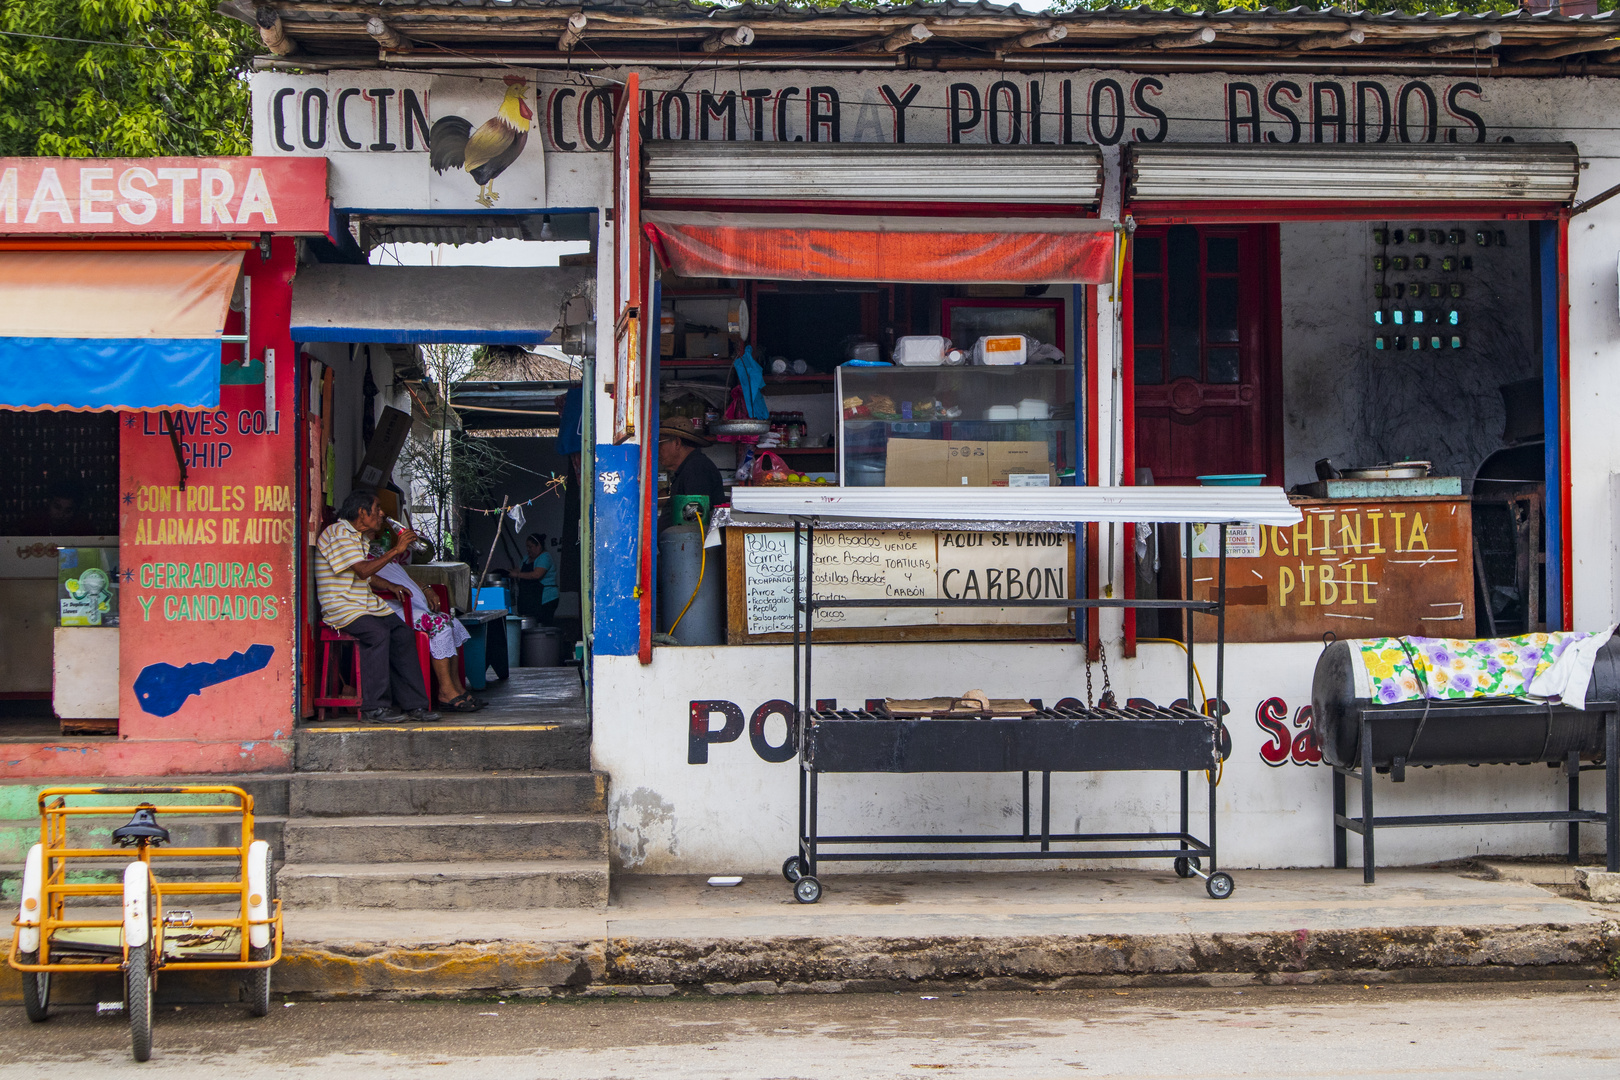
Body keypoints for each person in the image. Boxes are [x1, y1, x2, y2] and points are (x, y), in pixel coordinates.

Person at [315, 490, 440, 723]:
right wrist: (396, 550)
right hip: (342, 607)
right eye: (378, 509)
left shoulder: (358, 537)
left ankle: (415, 706)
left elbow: (365, 577)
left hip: (364, 605)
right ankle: (374, 707)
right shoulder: (338, 533)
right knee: (378, 633)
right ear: (362, 513)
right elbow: (363, 570)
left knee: (403, 633)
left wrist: (391, 585)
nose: (382, 514)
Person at [367, 531, 483, 713]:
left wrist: (426, 588)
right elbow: (367, 577)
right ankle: (446, 691)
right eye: (376, 510)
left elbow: (403, 575)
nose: (381, 514)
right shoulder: (356, 552)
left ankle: (457, 687)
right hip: (394, 608)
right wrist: (391, 586)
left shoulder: (377, 549)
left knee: (451, 622)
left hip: (413, 605)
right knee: (440, 625)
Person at [658, 423, 725, 514]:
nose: (657, 449)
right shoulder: (689, 467)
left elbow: (694, 516)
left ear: (677, 443)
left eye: (660, 443)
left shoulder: (697, 468)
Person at [512, 532, 560, 626]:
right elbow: (519, 569)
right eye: (527, 547)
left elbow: (536, 575)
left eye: (530, 547)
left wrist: (517, 575)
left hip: (546, 599)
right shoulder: (527, 558)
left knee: (544, 625)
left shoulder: (545, 557)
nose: (528, 549)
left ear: (539, 546)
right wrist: (510, 572)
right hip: (531, 600)